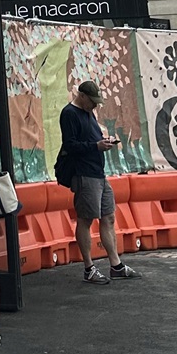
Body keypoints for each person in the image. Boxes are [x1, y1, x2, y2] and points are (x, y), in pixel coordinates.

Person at [59, 80, 137, 283]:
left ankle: (115, 264)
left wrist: (104, 141)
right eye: (91, 101)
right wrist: (96, 146)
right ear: (81, 96)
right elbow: (71, 145)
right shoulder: (69, 114)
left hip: (98, 172)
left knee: (108, 216)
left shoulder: (87, 112)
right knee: (85, 219)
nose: (94, 106)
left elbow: (89, 138)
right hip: (84, 173)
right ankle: (88, 267)